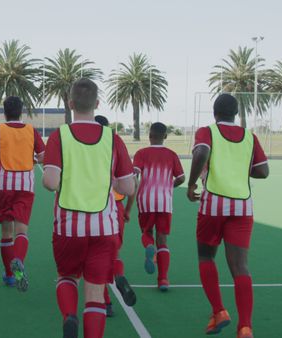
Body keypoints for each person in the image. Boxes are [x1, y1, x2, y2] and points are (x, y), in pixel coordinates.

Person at [43, 79, 135, 338]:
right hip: (104, 227)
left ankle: (69, 315)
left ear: (70, 104)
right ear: (96, 104)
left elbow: (50, 182)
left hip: (68, 227)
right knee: (95, 293)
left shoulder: (59, 136)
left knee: (67, 276)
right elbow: (128, 187)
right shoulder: (112, 138)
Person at [187, 94, 269, 338]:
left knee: (206, 257)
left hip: (213, 203)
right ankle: (245, 327)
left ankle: (219, 311)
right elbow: (263, 171)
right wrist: (239, 169)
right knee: (240, 266)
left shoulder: (207, 132)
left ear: (215, 112)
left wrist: (191, 184)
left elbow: (201, 151)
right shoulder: (249, 136)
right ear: (236, 114)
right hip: (242, 207)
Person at [0, 96, 45, 291]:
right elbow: (44, 155)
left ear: (5, 112)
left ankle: (10, 275)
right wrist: (33, 160)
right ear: (21, 112)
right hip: (25, 185)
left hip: (2, 185)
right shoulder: (31, 131)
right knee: (22, 231)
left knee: (6, 232)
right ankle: (18, 259)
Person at [125, 122, 185, 292]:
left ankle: (149, 246)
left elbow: (134, 173)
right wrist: (169, 186)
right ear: (165, 137)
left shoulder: (141, 153)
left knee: (146, 233)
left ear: (149, 136)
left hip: (146, 200)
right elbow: (181, 178)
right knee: (163, 240)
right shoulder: (172, 155)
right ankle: (163, 280)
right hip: (165, 202)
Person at [93, 115, 136, 317]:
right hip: (115, 206)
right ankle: (118, 274)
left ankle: (106, 303)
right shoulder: (115, 143)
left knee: (94, 258)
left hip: (92, 205)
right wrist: (127, 209)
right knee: (112, 253)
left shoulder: (86, 147)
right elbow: (131, 185)